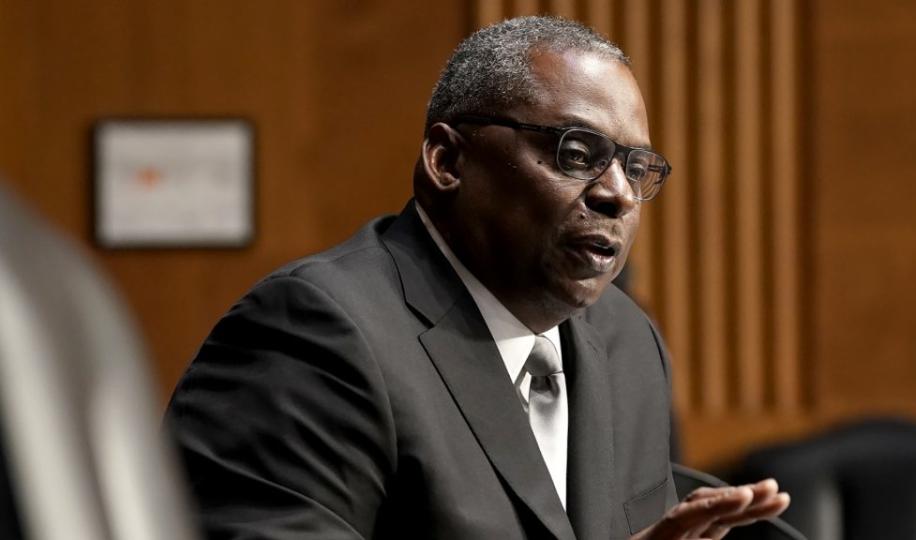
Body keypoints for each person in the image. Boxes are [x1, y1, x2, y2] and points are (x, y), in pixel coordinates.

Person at [166, 16, 789, 540]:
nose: (619, 195)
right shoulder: (315, 336)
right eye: (577, 154)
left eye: (636, 167)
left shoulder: (628, 342)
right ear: (448, 160)